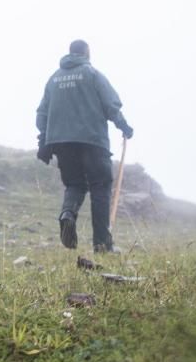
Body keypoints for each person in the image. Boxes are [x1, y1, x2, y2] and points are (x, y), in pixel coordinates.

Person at [35, 40, 133, 252]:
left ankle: (67, 214)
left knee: (75, 184)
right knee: (100, 186)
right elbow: (111, 105)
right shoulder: (93, 74)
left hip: (61, 142)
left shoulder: (54, 79)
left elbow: (42, 113)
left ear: (70, 53)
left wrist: (44, 138)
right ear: (87, 53)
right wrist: (123, 126)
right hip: (92, 141)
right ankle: (102, 244)